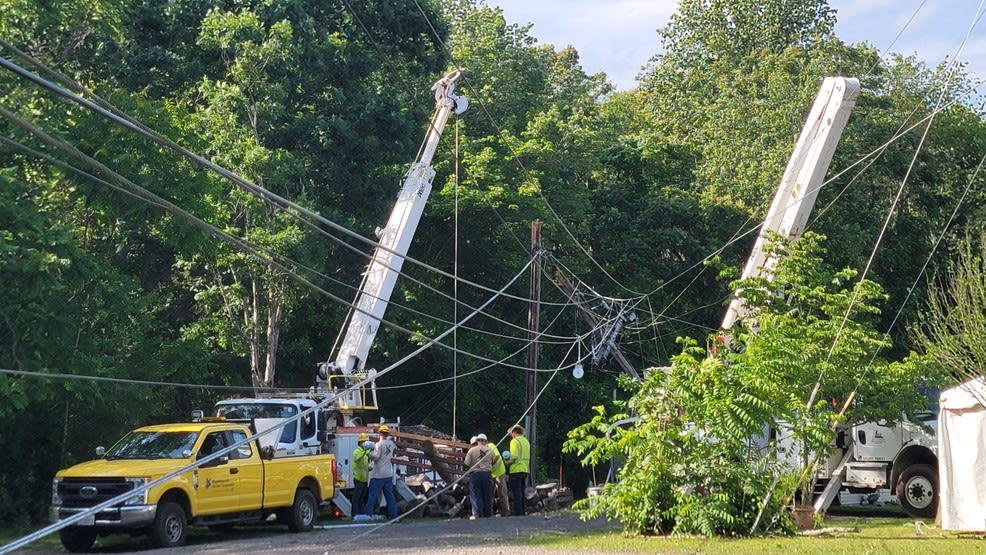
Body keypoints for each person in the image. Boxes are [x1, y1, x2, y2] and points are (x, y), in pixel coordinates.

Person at [363, 425, 398, 520]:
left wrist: (368, 454)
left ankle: (367, 515)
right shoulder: (391, 443)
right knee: (390, 496)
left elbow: (376, 458)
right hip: (388, 474)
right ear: (387, 433)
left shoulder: (379, 444)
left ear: (380, 433)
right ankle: (394, 515)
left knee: (372, 496)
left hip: (378, 474)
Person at [463, 433, 495, 519]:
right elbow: (493, 461)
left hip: (475, 475)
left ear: (477, 441)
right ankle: (487, 514)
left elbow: (466, 463)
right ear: (486, 441)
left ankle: (477, 515)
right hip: (486, 475)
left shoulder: (472, 450)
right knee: (487, 495)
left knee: (476, 496)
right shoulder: (490, 451)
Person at [506, 424, 530, 516]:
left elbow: (514, 456)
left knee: (516, 494)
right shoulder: (526, 441)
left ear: (513, 433)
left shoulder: (514, 441)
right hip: (525, 469)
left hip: (516, 470)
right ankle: (523, 512)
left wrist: (507, 461)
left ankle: (518, 514)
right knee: (522, 492)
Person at [488, 437, 510, 516]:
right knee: (490, 493)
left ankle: (506, 511)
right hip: (490, 474)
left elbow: (497, 456)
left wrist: (490, 464)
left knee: (502, 492)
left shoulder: (490, 445)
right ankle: (489, 511)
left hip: (499, 472)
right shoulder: (479, 450)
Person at [351, 432, 372, 517]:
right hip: (358, 478)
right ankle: (354, 514)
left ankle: (361, 513)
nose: (365, 444)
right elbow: (357, 459)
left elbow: (364, 464)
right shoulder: (357, 451)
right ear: (360, 442)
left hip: (364, 479)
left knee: (362, 497)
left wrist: (370, 468)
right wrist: (365, 452)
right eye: (364, 442)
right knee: (356, 497)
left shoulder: (365, 452)